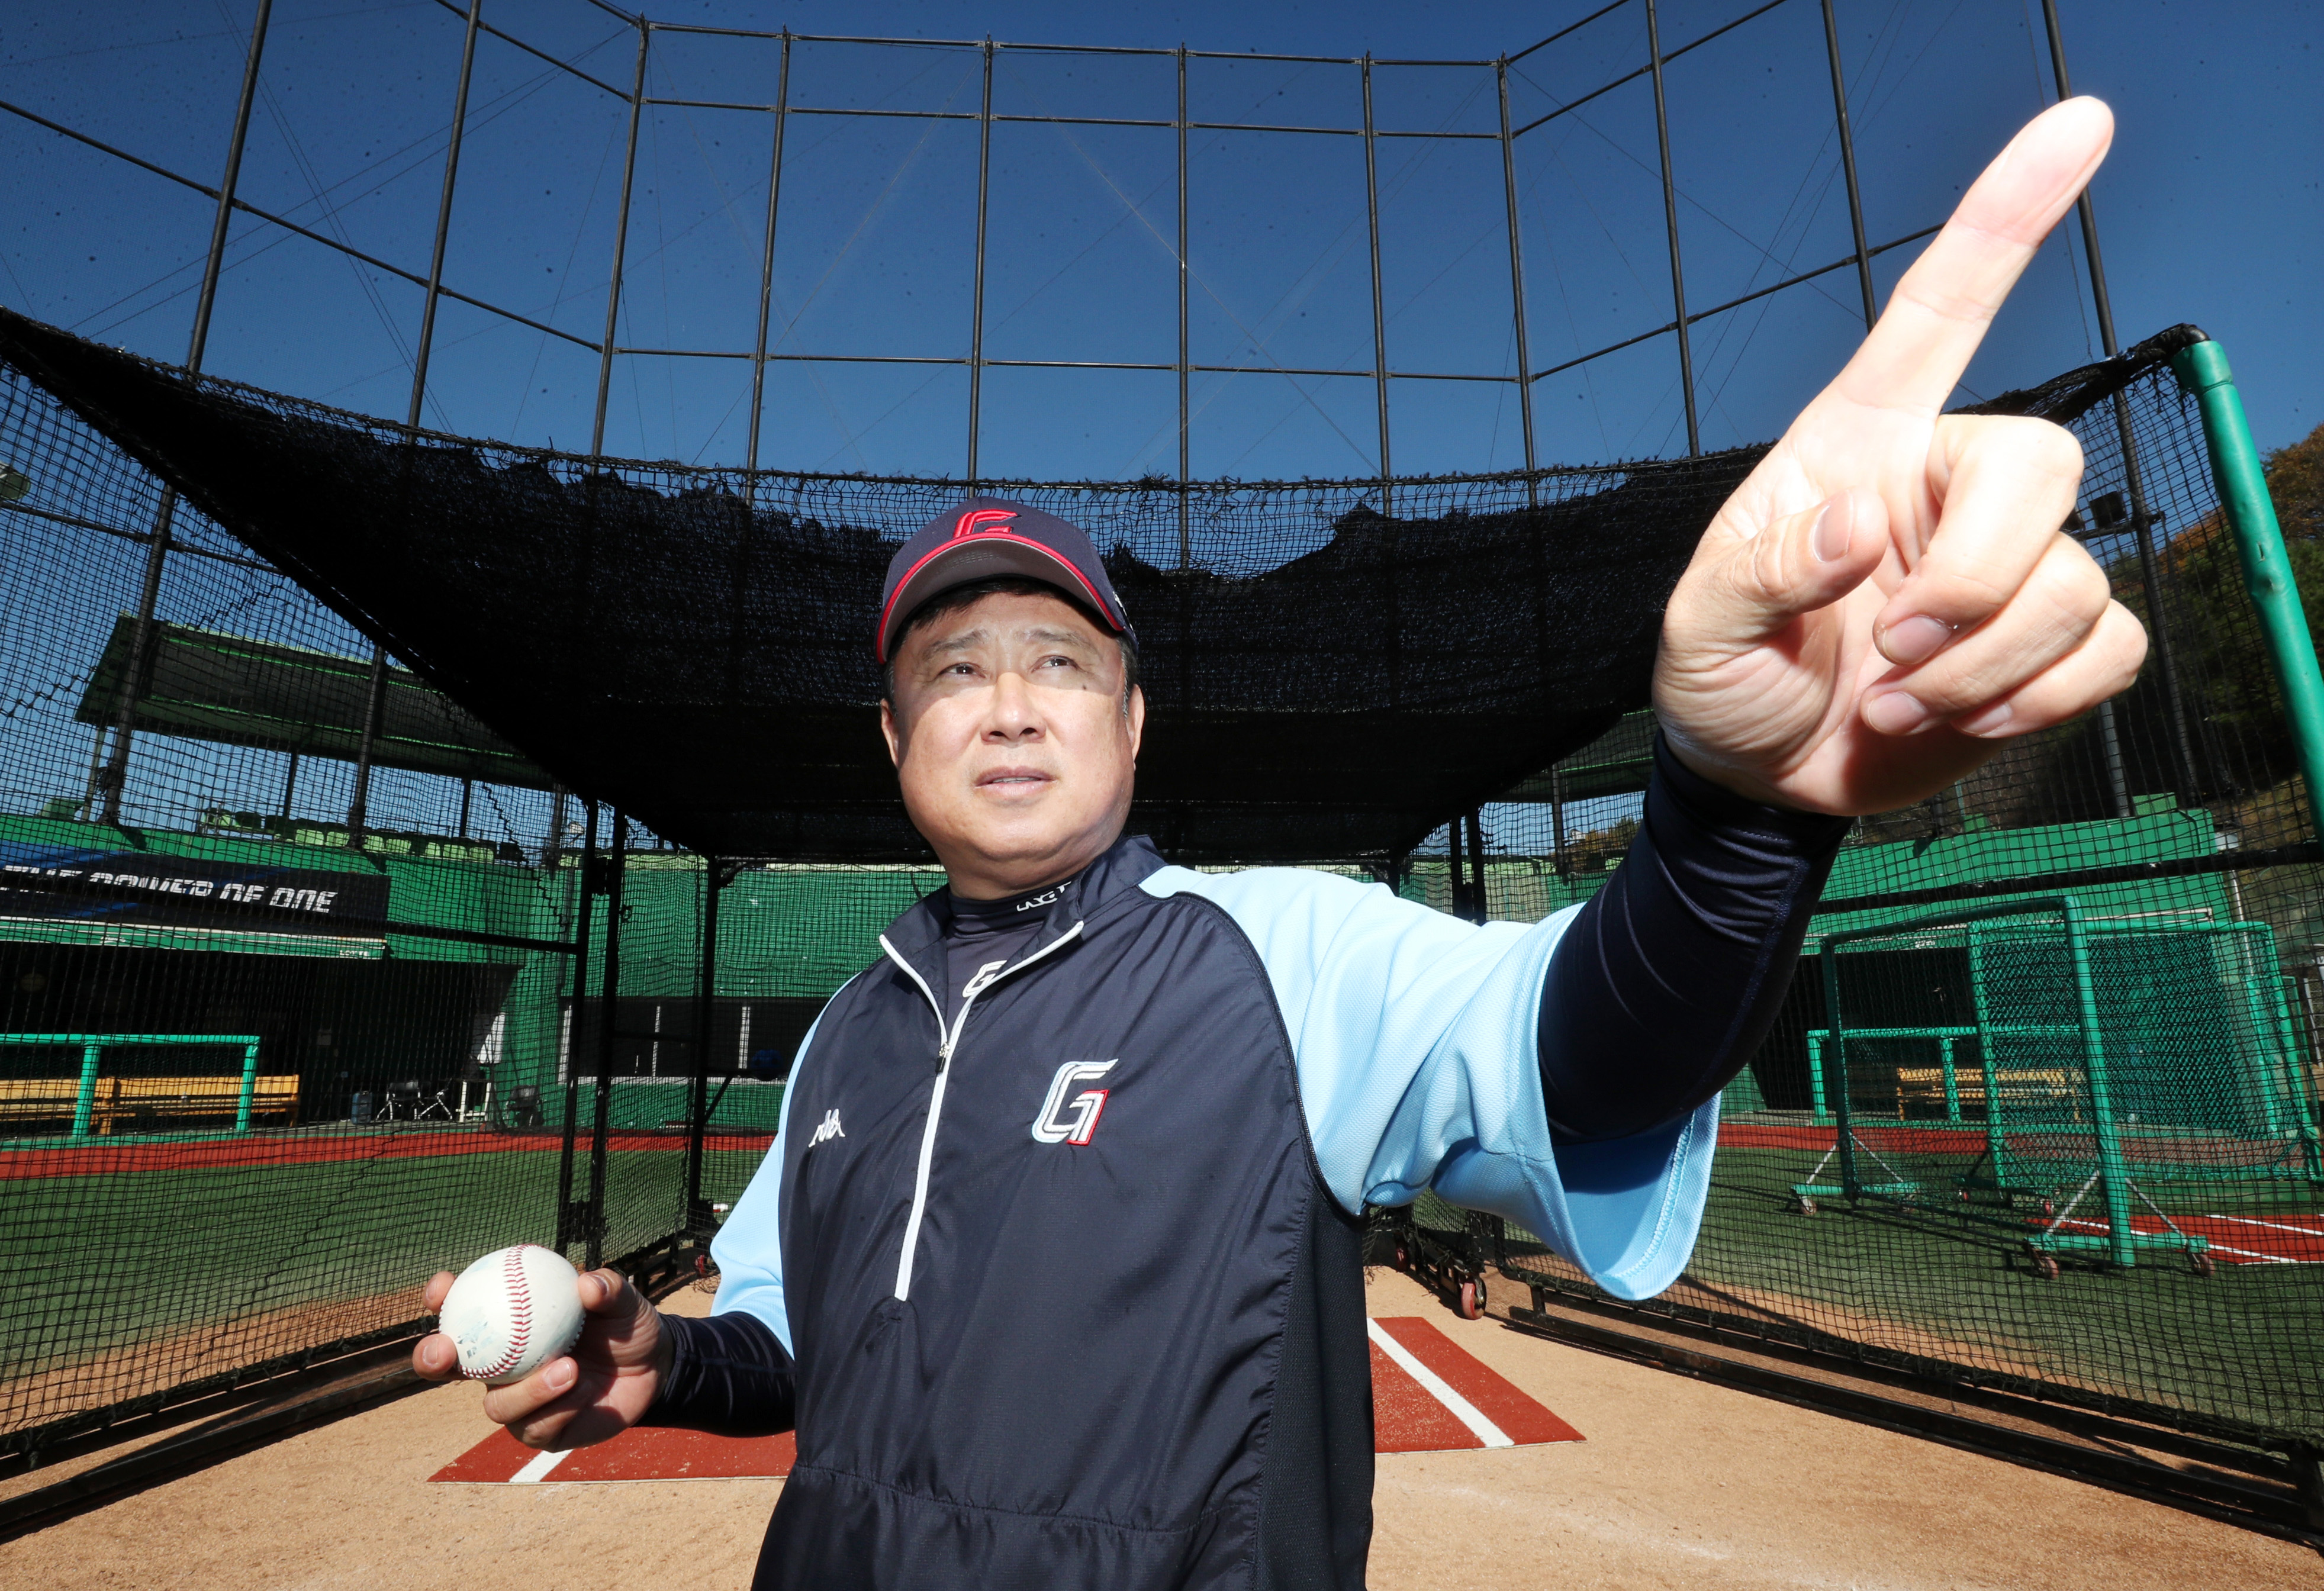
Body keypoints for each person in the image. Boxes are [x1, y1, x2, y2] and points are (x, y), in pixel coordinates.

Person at [414, 99, 2142, 1589]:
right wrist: (667, 1362)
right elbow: (789, 1346)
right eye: (951, 670)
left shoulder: (1285, 955)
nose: (1007, 705)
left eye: (1060, 666)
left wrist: (1740, 811)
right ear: (893, 739)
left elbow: (1598, 1052)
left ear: (1133, 725)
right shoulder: (846, 1036)